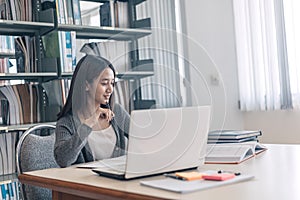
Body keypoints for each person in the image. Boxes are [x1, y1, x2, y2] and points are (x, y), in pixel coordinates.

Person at [54, 54, 130, 167]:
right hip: (86, 183)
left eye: (112, 83)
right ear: (86, 85)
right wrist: (89, 123)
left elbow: (142, 139)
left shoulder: (117, 112)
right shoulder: (67, 123)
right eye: (104, 83)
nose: (110, 89)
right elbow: (63, 159)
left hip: (117, 181)